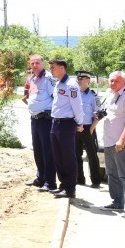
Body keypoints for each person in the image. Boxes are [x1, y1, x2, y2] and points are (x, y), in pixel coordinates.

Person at [97, 71, 125, 216]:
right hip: (109, 141)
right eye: (110, 81)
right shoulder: (110, 94)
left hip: (121, 142)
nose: (112, 83)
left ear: (124, 82)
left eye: (116, 81)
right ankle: (117, 202)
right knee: (111, 174)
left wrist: (121, 139)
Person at [48, 58, 84, 199]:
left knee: (68, 157)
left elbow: (77, 106)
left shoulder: (71, 85)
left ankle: (70, 188)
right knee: (58, 156)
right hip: (55, 123)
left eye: (53, 67)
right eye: (50, 68)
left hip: (67, 124)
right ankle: (63, 185)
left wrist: (79, 123)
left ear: (62, 68)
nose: (51, 70)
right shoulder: (58, 84)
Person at [22, 54, 57, 191]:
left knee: (47, 151)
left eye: (37, 63)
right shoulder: (33, 79)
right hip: (35, 119)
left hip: (45, 119)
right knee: (37, 150)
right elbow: (33, 97)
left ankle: (50, 182)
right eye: (32, 63)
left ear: (43, 64)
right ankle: (40, 177)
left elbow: (56, 98)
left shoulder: (49, 79)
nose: (34, 66)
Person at [74, 72, 102, 188]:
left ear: (88, 80)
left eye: (82, 78)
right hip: (75, 127)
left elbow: (99, 114)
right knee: (76, 154)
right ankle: (79, 179)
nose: (79, 80)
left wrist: (91, 128)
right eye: (78, 78)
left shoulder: (92, 96)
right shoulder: (74, 94)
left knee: (92, 155)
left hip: (88, 128)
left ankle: (96, 181)